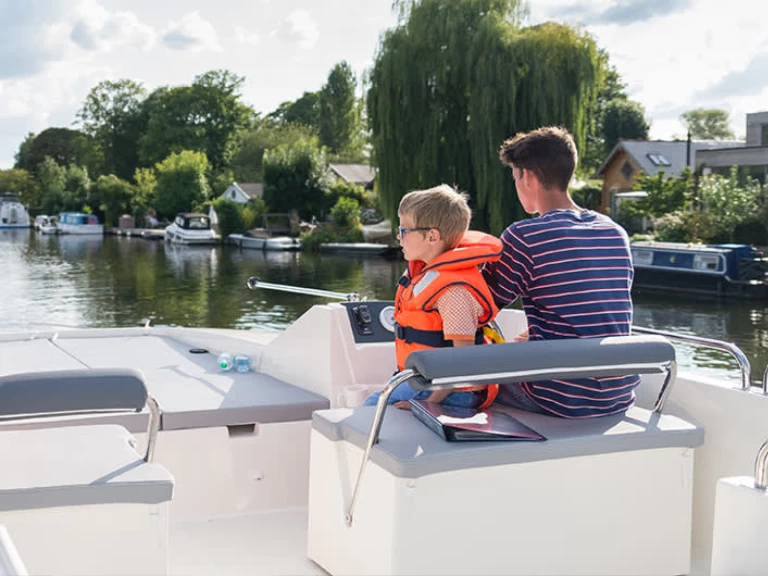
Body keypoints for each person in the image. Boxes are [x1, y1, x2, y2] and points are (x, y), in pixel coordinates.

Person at [482, 126, 638, 418]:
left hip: (558, 399)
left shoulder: (525, 236)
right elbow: (594, 309)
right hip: (618, 395)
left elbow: (479, 309)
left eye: (515, 177)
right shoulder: (614, 232)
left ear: (526, 176)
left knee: (458, 386)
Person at [363, 184, 503, 410]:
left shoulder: (453, 292)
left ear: (432, 236)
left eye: (404, 231)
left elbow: (462, 360)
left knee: (372, 406)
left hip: (454, 393)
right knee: (380, 397)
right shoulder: (427, 275)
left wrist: (427, 404)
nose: (399, 238)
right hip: (428, 380)